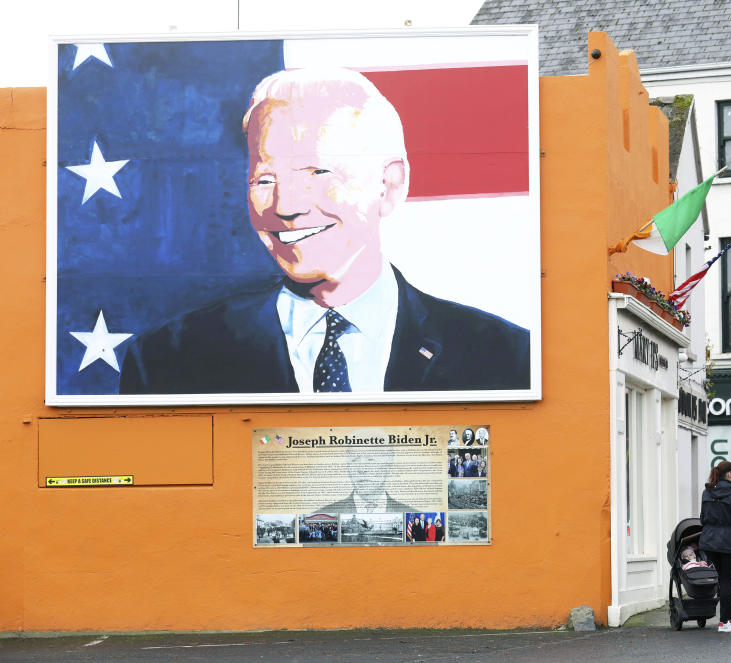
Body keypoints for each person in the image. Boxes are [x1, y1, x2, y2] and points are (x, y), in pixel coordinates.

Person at [119, 67, 530, 395]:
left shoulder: (506, 357)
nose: (286, 205)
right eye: (264, 179)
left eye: (318, 171)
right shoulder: (167, 361)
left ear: (389, 186)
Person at [699, 460, 731, 633]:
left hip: (709, 543)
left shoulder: (707, 493)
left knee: (721, 581)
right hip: (728, 542)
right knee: (727, 581)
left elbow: (702, 518)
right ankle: (725, 622)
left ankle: (730, 616)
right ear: (729, 474)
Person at [317, 445, 415, 513]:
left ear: (388, 467)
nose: (362, 469)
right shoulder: (325, 513)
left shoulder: (412, 514)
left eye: (371, 459)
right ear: (348, 467)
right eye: (355, 460)